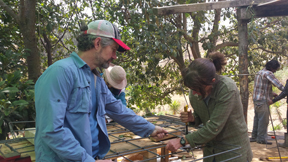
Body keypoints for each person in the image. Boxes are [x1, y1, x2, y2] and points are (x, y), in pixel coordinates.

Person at [34, 20, 167, 162]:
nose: (115, 56)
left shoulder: (96, 79)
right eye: (113, 50)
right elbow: (52, 131)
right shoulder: (60, 73)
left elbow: (118, 110)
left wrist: (150, 129)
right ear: (97, 43)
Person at [165, 52, 253, 162]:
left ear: (212, 81)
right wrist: (193, 118)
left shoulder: (226, 89)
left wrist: (182, 141)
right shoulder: (194, 91)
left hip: (232, 151)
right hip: (210, 152)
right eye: (192, 89)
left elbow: (214, 127)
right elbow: (203, 115)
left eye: (198, 89)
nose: (195, 93)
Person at [250, 60, 284, 145]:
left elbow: (260, 87)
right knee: (263, 120)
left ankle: (254, 136)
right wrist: (285, 90)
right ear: (272, 68)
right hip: (262, 100)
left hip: (256, 99)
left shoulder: (259, 72)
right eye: (275, 69)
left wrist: (271, 93)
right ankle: (261, 139)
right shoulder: (269, 74)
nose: (275, 71)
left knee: (257, 118)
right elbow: (278, 84)